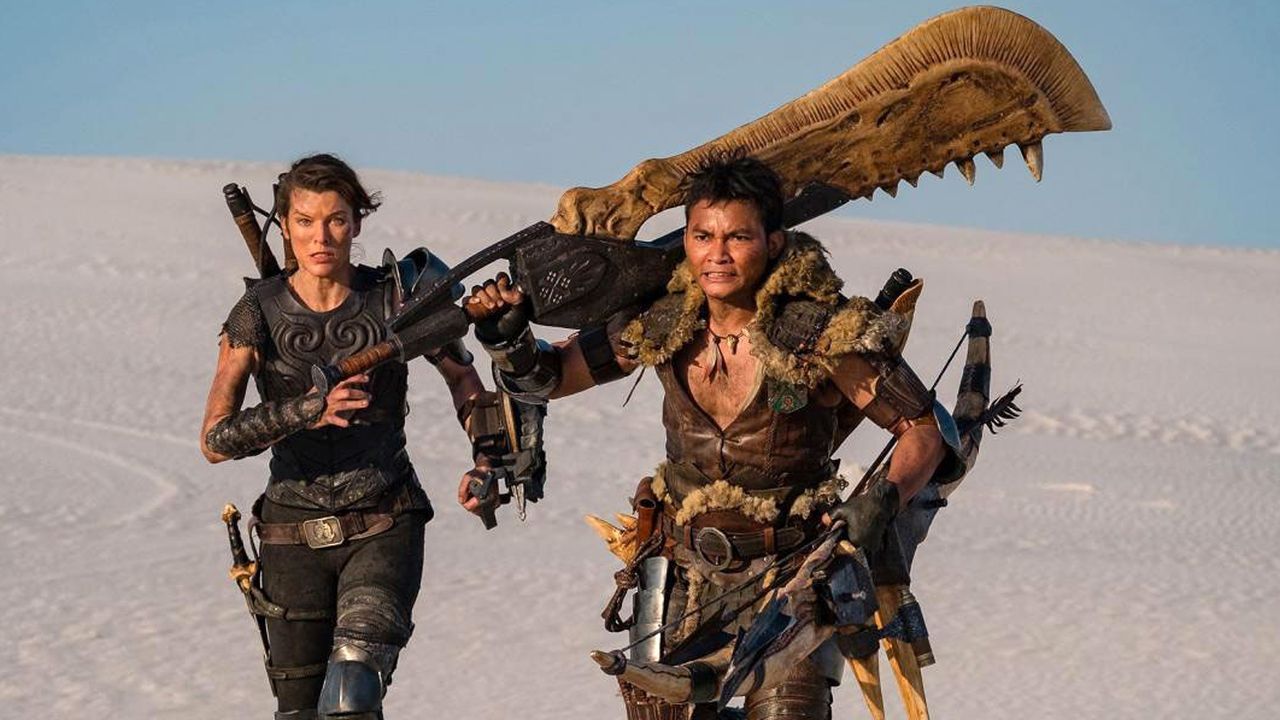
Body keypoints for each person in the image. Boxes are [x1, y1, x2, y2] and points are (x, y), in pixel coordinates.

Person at [461, 155, 956, 719]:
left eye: (737, 237)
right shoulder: (662, 321)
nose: (717, 254)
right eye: (703, 236)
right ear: (687, 241)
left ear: (773, 242)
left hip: (789, 580)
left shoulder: (820, 331)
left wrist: (882, 500)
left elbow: (923, 428)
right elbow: (551, 379)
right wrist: (508, 340)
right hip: (679, 571)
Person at [201, 154, 486, 720]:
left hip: (382, 521)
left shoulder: (396, 297)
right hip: (289, 533)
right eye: (305, 221)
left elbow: (463, 379)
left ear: (357, 222)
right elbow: (215, 439)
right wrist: (305, 411)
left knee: (352, 691)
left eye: (335, 220)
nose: (321, 236)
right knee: (298, 712)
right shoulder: (256, 311)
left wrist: (488, 458)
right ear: (285, 226)